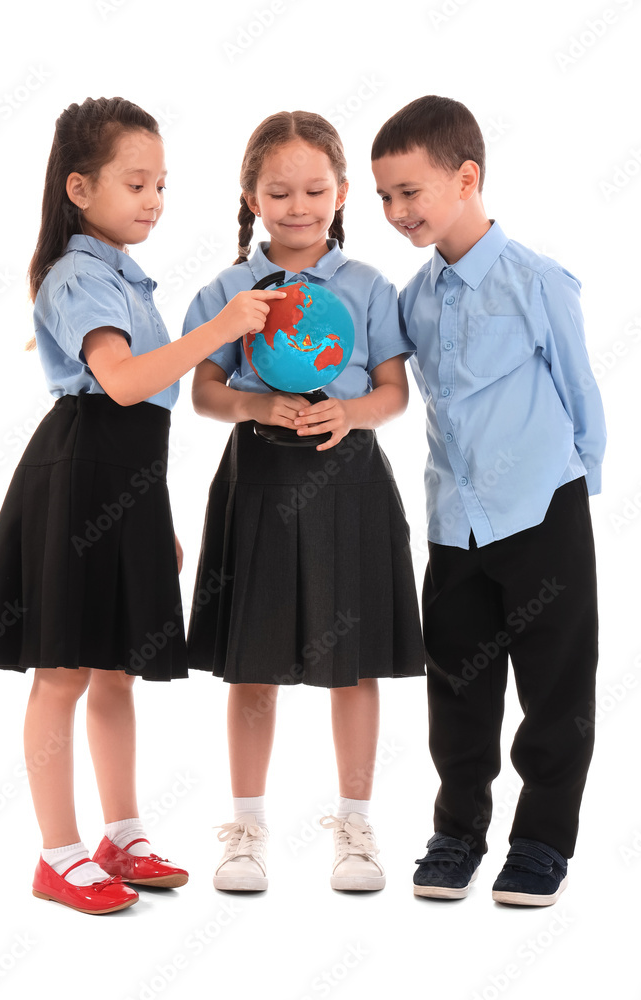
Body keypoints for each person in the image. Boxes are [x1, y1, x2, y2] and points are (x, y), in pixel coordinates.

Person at [0, 96, 284, 915]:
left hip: (121, 488)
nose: (153, 200)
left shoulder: (126, 277)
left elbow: (144, 422)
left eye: (162, 185)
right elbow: (125, 383)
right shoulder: (77, 274)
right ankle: (58, 855)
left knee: (114, 674)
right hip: (73, 483)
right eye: (135, 182)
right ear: (78, 187)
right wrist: (220, 329)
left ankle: (121, 835)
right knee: (62, 670)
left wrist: (153, 516)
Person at [371, 95, 606, 905]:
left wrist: (575, 488)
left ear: (465, 177)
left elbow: (581, 394)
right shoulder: (414, 298)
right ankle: (455, 832)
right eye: (385, 198)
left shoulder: (535, 280)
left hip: (542, 511)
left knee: (555, 688)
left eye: (411, 192)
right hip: (453, 523)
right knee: (458, 683)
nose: (397, 211)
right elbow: (384, 380)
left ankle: (541, 842)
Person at [184, 111, 426, 892]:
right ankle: (245, 827)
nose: (297, 206)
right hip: (257, 478)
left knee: (351, 666)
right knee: (252, 664)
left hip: (348, 477)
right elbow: (204, 392)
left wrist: (348, 412)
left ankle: (354, 825)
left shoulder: (368, 287)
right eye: (278, 191)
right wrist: (254, 408)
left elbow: (392, 391)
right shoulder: (226, 289)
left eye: (315, 189)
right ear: (250, 196)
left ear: (342, 191)